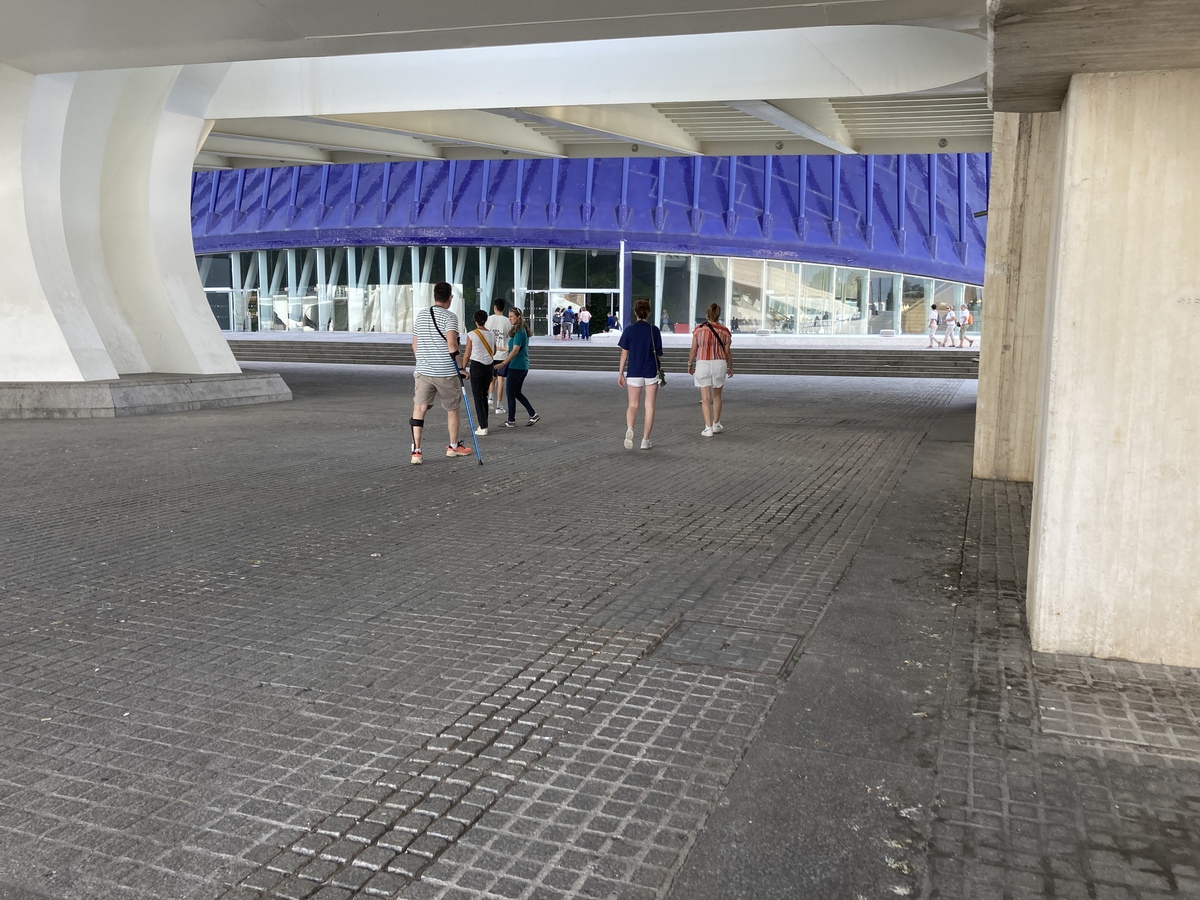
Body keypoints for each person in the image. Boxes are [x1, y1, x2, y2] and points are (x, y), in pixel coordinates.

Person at [409, 281, 472, 464]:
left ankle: (416, 452)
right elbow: (452, 345)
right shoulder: (450, 317)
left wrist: (423, 360)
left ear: (434, 296)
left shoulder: (421, 316)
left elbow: (415, 344)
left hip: (423, 371)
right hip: (446, 371)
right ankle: (453, 447)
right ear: (450, 298)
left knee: (419, 409)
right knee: (452, 409)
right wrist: (461, 368)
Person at [618, 298, 663, 450]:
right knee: (649, 406)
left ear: (635, 312)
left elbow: (624, 354)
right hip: (651, 371)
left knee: (632, 405)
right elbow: (659, 354)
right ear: (649, 312)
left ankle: (630, 428)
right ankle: (645, 440)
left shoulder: (629, 330)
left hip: (634, 371)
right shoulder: (653, 330)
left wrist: (620, 373)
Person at [687, 303, 734, 437]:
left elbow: (693, 350)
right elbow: (727, 351)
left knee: (705, 398)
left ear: (707, 314)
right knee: (717, 396)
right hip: (719, 363)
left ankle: (708, 428)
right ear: (718, 315)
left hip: (702, 363)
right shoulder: (724, 331)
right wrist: (731, 366)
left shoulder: (698, 330)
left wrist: (690, 363)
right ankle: (716, 424)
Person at [494, 307, 540, 427]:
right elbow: (512, 348)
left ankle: (511, 420)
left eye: (511, 317)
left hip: (516, 366)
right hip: (522, 365)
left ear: (518, 317)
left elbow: (515, 350)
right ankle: (532, 414)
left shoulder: (519, 331)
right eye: (509, 316)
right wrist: (500, 348)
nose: (509, 319)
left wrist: (503, 363)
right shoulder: (521, 330)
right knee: (516, 392)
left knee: (510, 392)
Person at [462, 309, 496, 435]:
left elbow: (467, 354)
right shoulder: (491, 334)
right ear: (485, 320)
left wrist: (463, 368)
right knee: (484, 395)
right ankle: (484, 423)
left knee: (478, 397)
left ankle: (483, 426)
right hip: (489, 367)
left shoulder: (472, 334)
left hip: (476, 366)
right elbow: (494, 351)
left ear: (475, 320)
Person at [484, 298, 510, 413]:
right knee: (501, 380)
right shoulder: (508, 321)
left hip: (491, 354)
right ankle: (499, 406)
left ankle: (490, 399)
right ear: (504, 308)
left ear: (494, 307)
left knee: (491, 378)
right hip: (503, 355)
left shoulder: (488, 319)